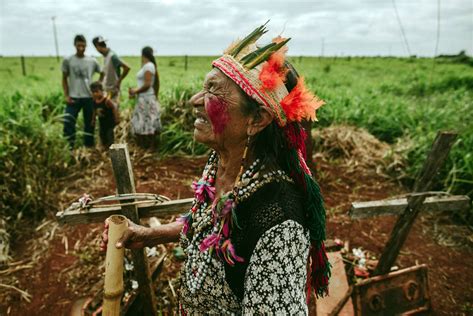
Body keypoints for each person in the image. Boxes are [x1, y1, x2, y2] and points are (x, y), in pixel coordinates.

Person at [101, 24, 330, 314]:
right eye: (204, 86)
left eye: (213, 91)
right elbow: (207, 225)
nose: (195, 101)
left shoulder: (278, 221)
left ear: (256, 119)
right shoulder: (221, 162)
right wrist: (148, 235)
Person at [62, 34, 103, 148]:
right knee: (68, 121)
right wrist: (66, 95)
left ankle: (89, 148)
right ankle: (70, 147)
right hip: (73, 97)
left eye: (83, 46)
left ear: (86, 46)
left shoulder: (92, 61)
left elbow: (102, 73)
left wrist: (97, 87)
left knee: (90, 123)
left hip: (88, 97)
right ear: (74, 45)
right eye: (78, 46)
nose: (81, 48)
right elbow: (64, 78)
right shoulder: (68, 60)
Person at [128, 46, 162, 150]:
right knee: (145, 121)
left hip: (146, 98)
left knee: (147, 121)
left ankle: (150, 147)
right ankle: (146, 147)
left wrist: (135, 91)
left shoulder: (148, 66)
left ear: (143, 54)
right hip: (144, 97)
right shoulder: (148, 66)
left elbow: (147, 84)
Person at [92, 36, 130, 103]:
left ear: (97, 46)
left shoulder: (112, 56)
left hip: (113, 91)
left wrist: (119, 81)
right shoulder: (105, 56)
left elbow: (127, 68)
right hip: (106, 90)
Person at [90, 81, 120, 148]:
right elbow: (94, 111)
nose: (95, 94)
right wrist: (93, 120)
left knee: (110, 137)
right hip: (102, 123)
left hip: (109, 123)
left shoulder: (106, 101)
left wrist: (116, 118)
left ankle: (111, 150)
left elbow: (114, 108)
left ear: (101, 91)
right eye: (93, 92)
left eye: (97, 92)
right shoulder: (94, 101)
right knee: (102, 136)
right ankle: (105, 150)